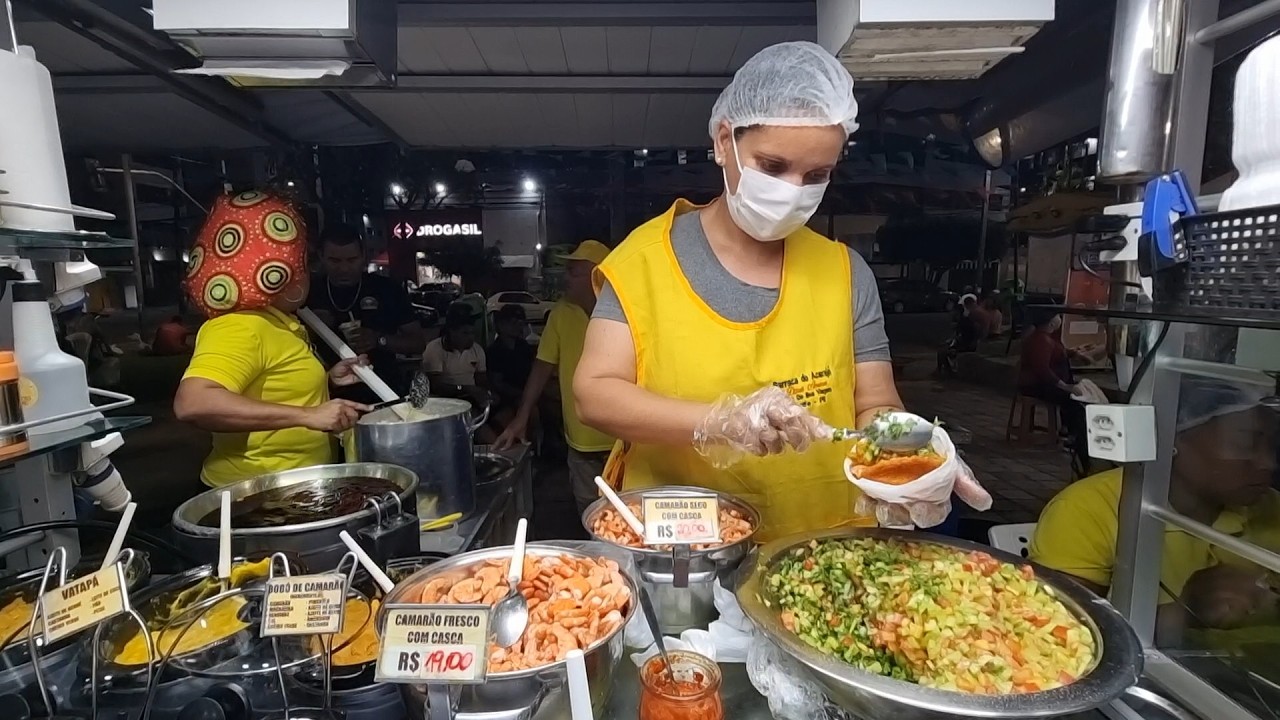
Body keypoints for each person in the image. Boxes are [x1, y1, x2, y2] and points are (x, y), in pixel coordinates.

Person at [571, 42, 989, 542]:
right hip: (686, 546)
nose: (793, 190)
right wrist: (720, 422)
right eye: (772, 166)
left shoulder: (844, 272)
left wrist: (911, 451)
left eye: (816, 175)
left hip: (821, 543)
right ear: (724, 141)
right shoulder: (643, 263)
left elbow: (875, 401)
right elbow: (595, 394)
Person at [1030, 378, 1280, 644]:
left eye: (1273, 446)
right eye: (1246, 443)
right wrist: (1183, 613)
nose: (1268, 463)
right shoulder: (1087, 511)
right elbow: (1057, 638)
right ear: (1173, 439)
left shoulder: (1271, 508)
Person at [174, 191, 369, 488]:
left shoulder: (277, 322)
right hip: (254, 492)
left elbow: (268, 386)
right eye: (302, 267)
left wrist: (326, 380)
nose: (307, 276)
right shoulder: (240, 326)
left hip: (293, 486)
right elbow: (194, 403)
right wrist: (308, 415)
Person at [494, 240, 617, 514]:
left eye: (574, 272)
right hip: (582, 441)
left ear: (598, 276)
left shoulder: (626, 312)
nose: (565, 278)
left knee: (628, 515)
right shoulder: (561, 312)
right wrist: (521, 417)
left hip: (625, 440)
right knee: (591, 512)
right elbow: (542, 367)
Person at [306, 223, 424, 403]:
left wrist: (379, 340)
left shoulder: (386, 289)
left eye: (352, 260)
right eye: (334, 261)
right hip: (326, 394)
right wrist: (312, 329)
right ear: (321, 257)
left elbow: (417, 343)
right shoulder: (309, 292)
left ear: (363, 256)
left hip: (384, 391)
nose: (344, 268)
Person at [1017, 309, 1089, 474]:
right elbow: (1042, 370)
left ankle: (1069, 431)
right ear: (1051, 322)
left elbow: (1058, 352)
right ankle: (1073, 437)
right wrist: (1064, 386)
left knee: (1075, 398)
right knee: (1074, 401)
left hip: (1046, 384)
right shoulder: (1040, 340)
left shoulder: (1046, 338)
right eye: (1057, 316)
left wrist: (1075, 354)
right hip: (1038, 386)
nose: (1060, 319)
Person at [422, 307, 490, 409]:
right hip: (444, 402)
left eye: (472, 333)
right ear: (451, 332)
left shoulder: (477, 349)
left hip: (472, 399)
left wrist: (487, 393)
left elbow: (481, 379)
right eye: (465, 333)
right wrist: (465, 389)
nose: (470, 337)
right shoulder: (434, 349)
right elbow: (436, 386)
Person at [486, 304, 536, 430]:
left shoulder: (524, 347)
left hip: (529, 392)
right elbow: (497, 383)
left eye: (521, 323)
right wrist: (522, 395)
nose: (518, 326)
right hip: (506, 398)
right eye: (513, 323)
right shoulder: (494, 351)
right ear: (501, 325)